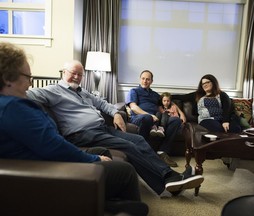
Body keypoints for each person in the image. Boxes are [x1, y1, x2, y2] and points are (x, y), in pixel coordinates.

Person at [0, 42, 150, 216]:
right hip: (50, 169)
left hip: (48, 157)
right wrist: (93, 158)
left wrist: (114, 115)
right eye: (27, 76)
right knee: (125, 171)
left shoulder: (11, 105)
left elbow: (50, 143)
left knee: (104, 150)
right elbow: (54, 147)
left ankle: (105, 203)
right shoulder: (14, 108)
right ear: (7, 79)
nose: (30, 83)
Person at [26, 60, 204, 197]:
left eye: (80, 75)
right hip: (81, 134)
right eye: (73, 74)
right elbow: (26, 93)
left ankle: (170, 178)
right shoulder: (53, 90)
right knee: (129, 146)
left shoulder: (82, 91)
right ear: (64, 72)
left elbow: (102, 103)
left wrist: (116, 113)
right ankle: (169, 179)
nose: (76, 78)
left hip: (101, 129)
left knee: (139, 140)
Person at [126, 70, 182, 167]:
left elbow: (169, 100)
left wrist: (180, 112)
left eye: (148, 79)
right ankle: (144, 153)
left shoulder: (155, 95)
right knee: (147, 118)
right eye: (143, 79)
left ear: (151, 81)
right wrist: (150, 115)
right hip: (140, 118)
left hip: (157, 119)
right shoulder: (134, 91)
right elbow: (133, 107)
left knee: (176, 120)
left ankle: (162, 152)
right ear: (140, 79)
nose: (145, 81)